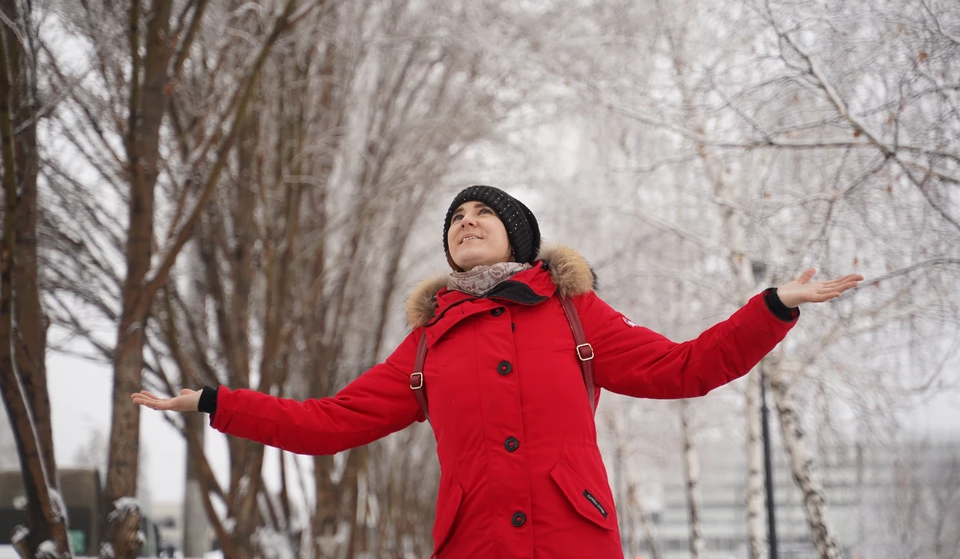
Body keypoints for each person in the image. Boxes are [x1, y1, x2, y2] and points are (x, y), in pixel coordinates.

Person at [133, 184, 863, 559]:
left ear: (516, 234)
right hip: (474, 545)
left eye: (482, 212)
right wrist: (216, 402)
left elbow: (685, 368)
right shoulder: (428, 343)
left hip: (575, 541)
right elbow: (330, 423)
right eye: (456, 218)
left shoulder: (575, 314)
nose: (466, 222)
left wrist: (772, 306)